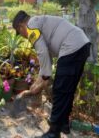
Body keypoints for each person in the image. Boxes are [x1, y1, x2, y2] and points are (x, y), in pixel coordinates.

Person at [12, 10, 91, 138]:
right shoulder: (40, 23)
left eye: (19, 32)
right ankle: (63, 123)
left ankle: (53, 132)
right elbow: (46, 57)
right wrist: (39, 80)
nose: (22, 35)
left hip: (71, 46)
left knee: (59, 90)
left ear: (21, 26)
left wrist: (45, 78)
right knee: (67, 89)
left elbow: (42, 52)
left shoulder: (31, 25)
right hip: (81, 45)